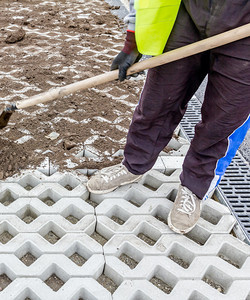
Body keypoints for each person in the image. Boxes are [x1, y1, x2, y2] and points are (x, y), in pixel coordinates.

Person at [87, 0, 250, 234]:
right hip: (190, 11)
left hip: (245, 26)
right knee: (158, 101)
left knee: (223, 119)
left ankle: (194, 188)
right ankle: (133, 165)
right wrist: (133, 40)